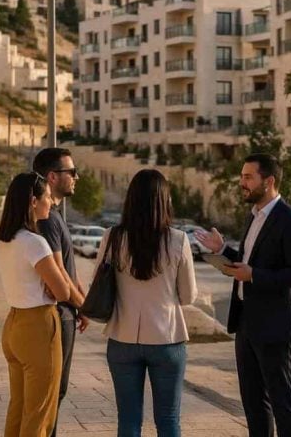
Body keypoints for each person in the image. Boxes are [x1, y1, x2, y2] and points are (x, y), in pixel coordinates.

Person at [196, 153, 291, 437]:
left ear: (268, 181)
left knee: (281, 399)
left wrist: (255, 276)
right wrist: (223, 252)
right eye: (241, 176)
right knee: (253, 400)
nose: (241, 183)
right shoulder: (253, 217)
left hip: (276, 325)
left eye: (248, 177)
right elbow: (249, 263)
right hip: (247, 322)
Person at [96, 169, 198, 437]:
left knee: (128, 421)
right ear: (164, 201)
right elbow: (188, 296)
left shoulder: (112, 237)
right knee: (168, 419)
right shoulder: (177, 240)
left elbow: (99, 282)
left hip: (122, 339)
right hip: (167, 339)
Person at [0, 172, 73, 437]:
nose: (51, 203)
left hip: (14, 325)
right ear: (33, 201)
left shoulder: (5, 240)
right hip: (38, 327)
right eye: (47, 198)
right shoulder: (35, 243)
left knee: (18, 408)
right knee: (39, 414)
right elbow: (63, 292)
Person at [32, 148, 90, 437]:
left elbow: (70, 266)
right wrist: (87, 307)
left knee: (58, 392)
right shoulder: (47, 220)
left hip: (67, 314)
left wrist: (82, 303)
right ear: (53, 177)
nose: (76, 177)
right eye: (71, 172)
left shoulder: (55, 216)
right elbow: (60, 275)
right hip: (57, 316)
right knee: (53, 393)